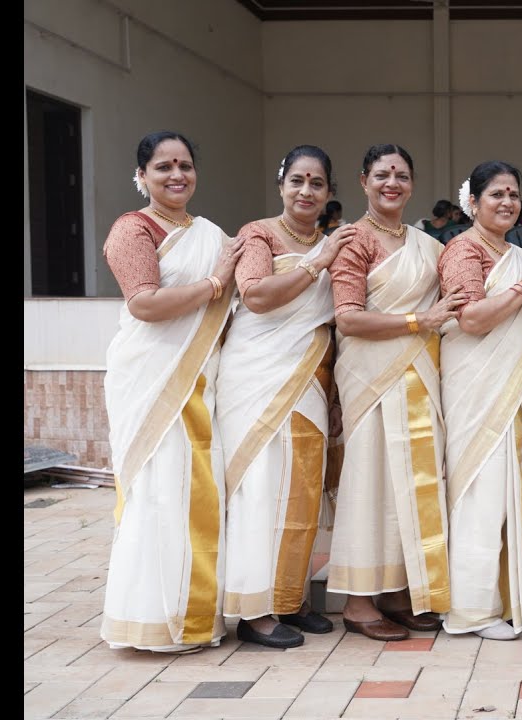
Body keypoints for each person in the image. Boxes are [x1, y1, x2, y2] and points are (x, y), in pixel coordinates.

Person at [100, 130, 244, 654]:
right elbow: (144, 304)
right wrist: (214, 283)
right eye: (163, 167)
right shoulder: (132, 229)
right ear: (142, 176)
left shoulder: (209, 234)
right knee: (158, 495)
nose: (177, 175)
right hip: (151, 378)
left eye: (185, 165)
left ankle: (197, 616)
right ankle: (151, 619)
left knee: (198, 493)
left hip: (201, 380)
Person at [216, 145, 357, 648]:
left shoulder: (332, 244)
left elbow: (337, 323)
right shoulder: (259, 234)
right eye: (297, 180)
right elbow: (255, 295)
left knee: (301, 490)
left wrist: (336, 395)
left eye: (317, 183)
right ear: (281, 185)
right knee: (260, 489)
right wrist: (318, 263)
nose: (306, 191)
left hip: (312, 379)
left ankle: (289, 598)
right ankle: (253, 612)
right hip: (257, 376)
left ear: (329, 191)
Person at [327, 144, 469, 641]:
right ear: (363, 181)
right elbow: (348, 318)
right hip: (371, 378)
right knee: (368, 483)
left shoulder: (428, 245)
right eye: (382, 174)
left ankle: (394, 592)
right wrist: (417, 321)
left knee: (408, 486)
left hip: (419, 376)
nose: (392, 183)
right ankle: (358, 600)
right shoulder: (353, 241)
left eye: (402, 175)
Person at [437, 161, 522, 641]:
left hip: (512, 394)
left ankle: (508, 601)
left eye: (513, 194)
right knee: (479, 496)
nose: (507, 202)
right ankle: (471, 610)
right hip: (475, 389)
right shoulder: (463, 249)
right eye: (496, 194)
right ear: (473, 202)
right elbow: (471, 319)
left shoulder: (517, 255)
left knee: (508, 498)